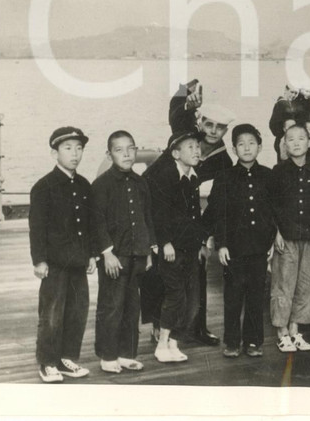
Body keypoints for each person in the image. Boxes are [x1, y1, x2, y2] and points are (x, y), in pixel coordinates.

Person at [29, 126, 97, 384]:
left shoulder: (84, 185)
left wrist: (91, 255)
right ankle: (47, 362)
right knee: (52, 313)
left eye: (79, 148)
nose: (75, 154)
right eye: (68, 148)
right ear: (54, 153)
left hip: (78, 261)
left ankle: (66, 358)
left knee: (77, 311)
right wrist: (39, 260)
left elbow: (89, 225)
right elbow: (37, 227)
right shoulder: (44, 187)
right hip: (55, 263)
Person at [205, 124, 275, 358]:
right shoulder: (224, 177)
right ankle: (232, 342)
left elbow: (274, 212)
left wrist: (272, 241)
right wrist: (222, 244)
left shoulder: (268, 176)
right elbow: (219, 213)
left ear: (260, 147)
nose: (247, 148)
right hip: (233, 248)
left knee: (256, 296)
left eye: (252, 143)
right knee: (233, 296)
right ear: (234, 149)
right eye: (241, 144)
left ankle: (254, 341)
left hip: (259, 248)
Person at [91, 131, 157, 374]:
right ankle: (108, 356)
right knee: (111, 306)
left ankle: (126, 354)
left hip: (137, 254)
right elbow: (96, 222)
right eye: (119, 150)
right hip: (113, 257)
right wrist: (106, 253)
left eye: (131, 148)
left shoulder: (141, 183)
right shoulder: (101, 185)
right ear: (109, 155)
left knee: (131, 306)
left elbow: (147, 218)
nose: (127, 154)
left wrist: (148, 250)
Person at [147, 131, 208, 363]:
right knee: (175, 295)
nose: (196, 151)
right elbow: (159, 213)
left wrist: (201, 243)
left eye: (197, 146)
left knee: (192, 300)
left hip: (190, 247)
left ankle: (174, 342)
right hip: (172, 249)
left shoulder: (193, 177)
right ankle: (162, 343)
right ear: (175, 153)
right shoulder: (166, 177)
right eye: (190, 147)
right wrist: (165, 243)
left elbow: (195, 216)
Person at [267, 124, 310, 353]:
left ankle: (295, 330)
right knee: (284, 284)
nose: (296, 143)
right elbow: (271, 205)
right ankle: (282, 333)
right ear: (284, 144)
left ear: (309, 143)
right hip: (286, 237)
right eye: (290, 139)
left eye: (301, 138)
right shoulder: (278, 172)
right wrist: (276, 233)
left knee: (306, 285)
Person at [190, 103, 236, 346]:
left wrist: (203, 238)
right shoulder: (185, 145)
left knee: (199, 274)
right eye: (209, 124)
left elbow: (218, 204)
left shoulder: (224, 162)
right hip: (172, 222)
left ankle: (198, 327)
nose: (213, 130)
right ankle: (160, 328)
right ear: (200, 122)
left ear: (226, 131)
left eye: (220, 127)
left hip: (198, 224)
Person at [269, 86, 298, 163]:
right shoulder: (283, 104)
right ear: (286, 90)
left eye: (296, 93)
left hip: (282, 140)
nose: (294, 95)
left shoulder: (283, 104)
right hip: (284, 142)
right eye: (292, 92)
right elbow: (273, 125)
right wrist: (282, 135)